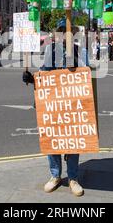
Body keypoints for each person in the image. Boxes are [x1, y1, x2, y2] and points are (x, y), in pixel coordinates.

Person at [22, 20, 88, 197]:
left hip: (73, 103)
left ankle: (73, 178)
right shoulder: (51, 51)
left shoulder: (80, 52)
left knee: (72, 141)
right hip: (52, 103)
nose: (65, 35)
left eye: (68, 32)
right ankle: (55, 175)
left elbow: (87, 76)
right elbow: (45, 75)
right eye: (61, 31)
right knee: (52, 140)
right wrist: (31, 78)